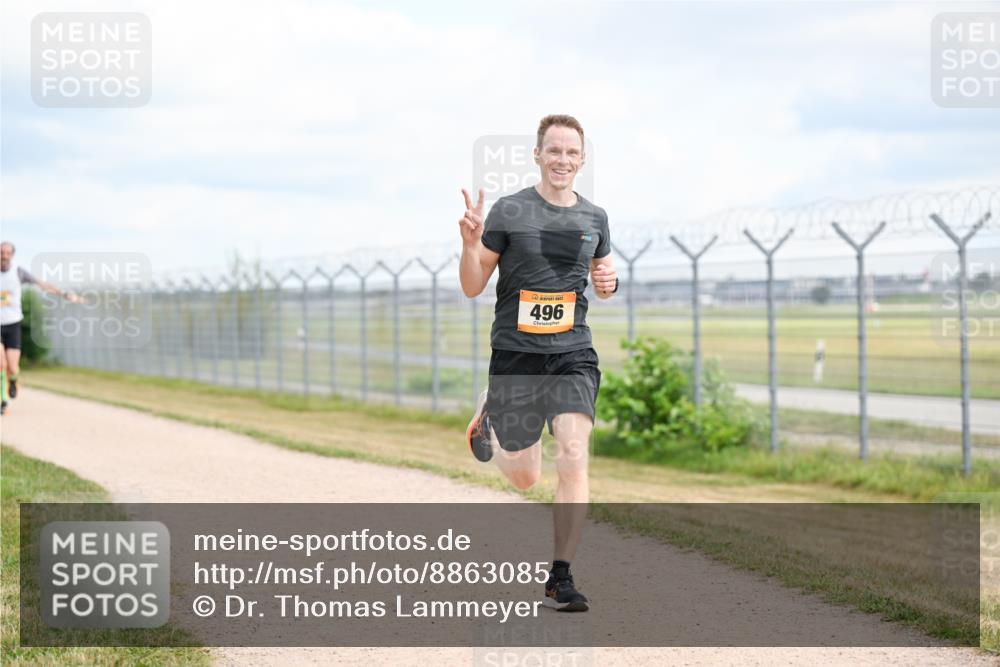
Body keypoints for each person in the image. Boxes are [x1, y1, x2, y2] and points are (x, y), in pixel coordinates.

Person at [458, 115, 618, 612]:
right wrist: (468, 245)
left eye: (572, 153)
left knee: (573, 449)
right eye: (554, 151)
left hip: (572, 354)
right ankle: (491, 419)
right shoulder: (509, 211)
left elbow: (600, 275)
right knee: (526, 477)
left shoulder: (595, 218)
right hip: (516, 357)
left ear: (583, 159)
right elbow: (471, 284)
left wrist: (610, 283)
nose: (562, 160)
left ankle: (560, 577)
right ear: (537, 155)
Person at [0, 242, 81, 415]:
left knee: (12, 367)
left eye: (7, 253)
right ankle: (3, 401)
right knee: (1, 364)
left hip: (13, 324)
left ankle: (13, 380)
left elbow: (42, 285)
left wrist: (64, 294)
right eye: (1, 252)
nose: (4, 256)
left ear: (12, 255)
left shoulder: (18, 272)